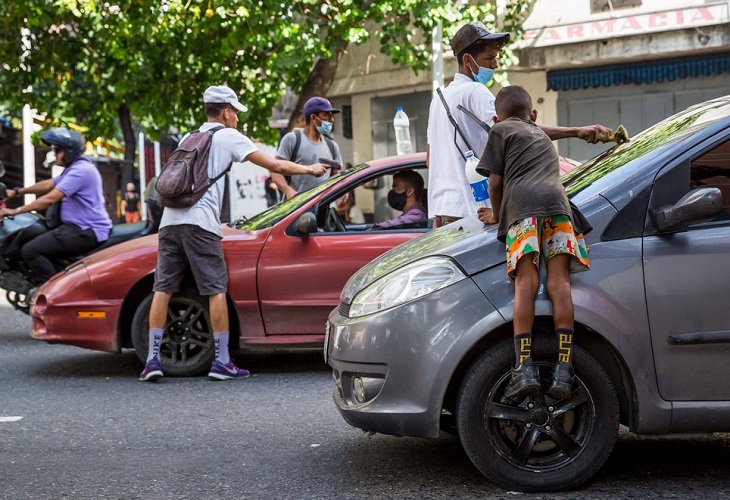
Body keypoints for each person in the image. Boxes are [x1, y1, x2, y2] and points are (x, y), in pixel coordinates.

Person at [139, 85, 327, 382]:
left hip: (170, 222)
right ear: (225, 111)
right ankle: (222, 361)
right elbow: (274, 164)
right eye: (236, 112)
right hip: (200, 224)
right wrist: (310, 171)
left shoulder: (189, 137)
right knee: (215, 289)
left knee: (163, 288)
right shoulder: (227, 136)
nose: (237, 118)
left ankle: (151, 360)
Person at [426, 21, 613, 229]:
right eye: (489, 58)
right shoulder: (474, 92)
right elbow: (520, 130)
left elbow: (429, 159)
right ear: (468, 60)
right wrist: (577, 131)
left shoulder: (439, 99)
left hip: (440, 215)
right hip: (473, 212)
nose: (495, 65)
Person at [476, 85, 591, 404]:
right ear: (534, 115)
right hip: (558, 208)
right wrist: (581, 130)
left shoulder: (499, 131)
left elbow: (495, 181)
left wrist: (496, 215)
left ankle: (523, 369)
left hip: (523, 209)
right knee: (560, 283)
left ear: (496, 118)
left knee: (526, 283)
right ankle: (563, 370)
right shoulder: (538, 133)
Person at [0, 128, 112, 285]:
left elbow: (50, 198)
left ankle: (54, 292)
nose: (54, 154)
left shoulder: (80, 171)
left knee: (30, 250)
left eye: (57, 150)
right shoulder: (74, 168)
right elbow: (49, 184)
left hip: (84, 230)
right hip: (79, 227)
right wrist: (17, 192)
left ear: (70, 151)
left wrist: (14, 211)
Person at [272, 96, 343, 200]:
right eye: (326, 115)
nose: (331, 120)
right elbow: (275, 170)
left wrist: (342, 190)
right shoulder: (293, 139)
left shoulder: (333, 146)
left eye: (331, 116)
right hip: (297, 209)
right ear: (313, 118)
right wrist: (287, 190)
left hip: (323, 210)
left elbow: (336, 176)